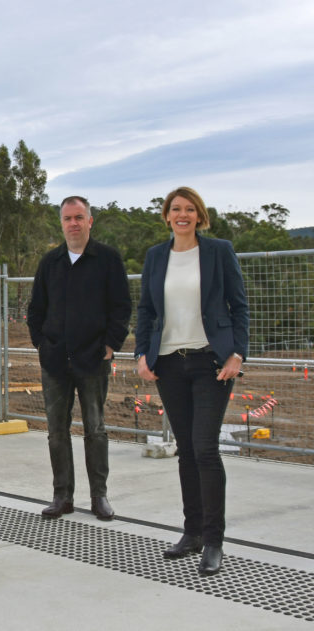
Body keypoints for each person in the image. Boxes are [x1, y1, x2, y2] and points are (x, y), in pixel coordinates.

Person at [136, 186, 249, 576]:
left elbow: (239, 304)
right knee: (186, 450)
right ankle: (192, 532)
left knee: (204, 449)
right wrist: (141, 354)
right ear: (166, 215)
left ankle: (214, 540)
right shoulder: (155, 256)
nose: (182, 215)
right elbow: (147, 309)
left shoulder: (218, 251)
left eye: (189, 209)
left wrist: (237, 353)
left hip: (210, 363)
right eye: (175, 209)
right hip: (169, 364)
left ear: (199, 215)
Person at [27, 196, 131, 521]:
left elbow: (121, 307)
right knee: (56, 431)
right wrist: (42, 344)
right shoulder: (50, 262)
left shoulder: (108, 260)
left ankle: (99, 497)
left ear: (89, 221)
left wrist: (111, 345)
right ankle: (62, 496)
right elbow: (35, 310)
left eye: (78, 217)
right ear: (61, 223)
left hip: (92, 360)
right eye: (67, 218)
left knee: (95, 429)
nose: (73, 223)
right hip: (55, 361)